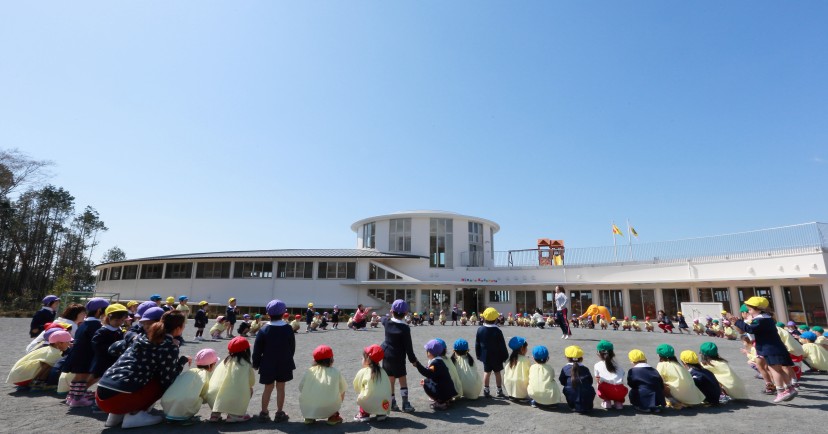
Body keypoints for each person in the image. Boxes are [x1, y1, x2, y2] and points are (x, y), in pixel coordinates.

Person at [96, 310, 188, 429]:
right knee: (159, 381)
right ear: (178, 329)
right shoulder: (169, 346)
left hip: (101, 394)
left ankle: (115, 416)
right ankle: (135, 415)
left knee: (135, 376)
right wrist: (182, 362)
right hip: (120, 399)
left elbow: (112, 349)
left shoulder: (140, 338)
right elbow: (168, 378)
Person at [733, 296, 798, 403]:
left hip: (769, 348)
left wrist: (738, 322)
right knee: (780, 369)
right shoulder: (768, 318)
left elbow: (750, 329)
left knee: (774, 370)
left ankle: (781, 391)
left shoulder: (760, 320)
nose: (749, 312)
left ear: (757, 309)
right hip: (777, 347)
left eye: (750, 309)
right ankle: (790, 388)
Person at [252, 299, 295, 423]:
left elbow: (257, 349)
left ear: (268, 314)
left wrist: (256, 363)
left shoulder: (264, 329)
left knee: (268, 388)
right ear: (283, 314)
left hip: (267, 363)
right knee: (281, 388)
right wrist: (288, 358)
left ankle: (264, 412)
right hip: (284, 362)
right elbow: (292, 347)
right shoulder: (288, 329)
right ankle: (279, 412)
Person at [62, 297, 109, 407]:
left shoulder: (83, 323)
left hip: (77, 354)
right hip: (85, 356)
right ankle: (78, 399)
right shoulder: (96, 325)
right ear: (99, 311)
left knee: (78, 377)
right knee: (82, 378)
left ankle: (72, 396)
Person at [160, 349, 218, 425]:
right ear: (211, 365)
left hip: (166, 402)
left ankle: (174, 415)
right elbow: (207, 393)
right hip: (183, 405)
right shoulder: (205, 374)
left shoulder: (190, 371)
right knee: (200, 396)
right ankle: (183, 416)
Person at [381, 299, 418, 412]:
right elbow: (408, 347)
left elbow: (382, 319)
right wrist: (413, 360)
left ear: (392, 311)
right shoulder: (405, 328)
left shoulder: (387, 322)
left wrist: (381, 317)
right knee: (402, 380)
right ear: (406, 313)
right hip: (398, 357)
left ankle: (392, 403)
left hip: (386, 355)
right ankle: (405, 403)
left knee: (390, 380)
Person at [207, 337, 255, 423]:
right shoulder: (246, 364)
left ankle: (215, 413)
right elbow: (252, 382)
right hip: (230, 398)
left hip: (212, 397)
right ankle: (235, 414)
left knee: (221, 389)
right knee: (249, 389)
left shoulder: (224, 361)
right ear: (246, 350)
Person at [7, 330, 72, 390]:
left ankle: (37, 382)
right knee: (51, 364)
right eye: (68, 342)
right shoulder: (55, 353)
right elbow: (47, 367)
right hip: (23, 378)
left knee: (48, 362)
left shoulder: (47, 348)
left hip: (16, 376)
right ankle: (38, 383)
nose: (69, 344)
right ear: (59, 343)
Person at [298, 345, 347, 425]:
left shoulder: (309, 371)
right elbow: (343, 389)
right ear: (331, 360)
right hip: (329, 407)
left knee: (307, 395)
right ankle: (333, 416)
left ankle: (309, 417)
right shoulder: (336, 372)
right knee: (341, 390)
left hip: (309, 407)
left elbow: (301, 387)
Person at [655, 344, 705, 408]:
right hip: (693, 397)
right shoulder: (677, 364)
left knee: (659, 384)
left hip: (680, 396)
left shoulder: (662, 365)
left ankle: (675, 402)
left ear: (659, 355)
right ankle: (682, 402)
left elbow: (658, 379)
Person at [413, 339, 457, 410]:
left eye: (427, 351)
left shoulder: (435, 363)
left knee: (425, 382)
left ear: (430, 352)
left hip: (443, 392)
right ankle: (447, 400)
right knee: (430, 381)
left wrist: (417, 365)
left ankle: (440, 402)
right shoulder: (440, 361)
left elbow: (427, 373)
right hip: (450, 391)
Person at [90, 304, 128, 384]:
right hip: (102, 359)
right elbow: (96, 345)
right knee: (95, 377)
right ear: (108, 318)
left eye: (122, 320)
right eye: (116, 320)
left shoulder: (119, 330)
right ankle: (83, 391)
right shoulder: (103, 331)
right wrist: (112, 348)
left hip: (113, 359)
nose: (119, 323)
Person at [353, 344, 392, 422]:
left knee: (362, 392)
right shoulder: (383, 371)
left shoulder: (363, 371)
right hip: (383, 404)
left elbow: (356, 386)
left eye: (363, 357)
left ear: (368, 359)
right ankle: (381, 413)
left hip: (369, 403)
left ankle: (364, 414)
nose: (362, 359)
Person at [475, 307, 508, 398]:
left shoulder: (480, 330)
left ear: (484, 318)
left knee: (486, 372)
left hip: (486, 356)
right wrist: (505, 356)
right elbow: (502, 345)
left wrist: (478, 354)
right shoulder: (498, 331)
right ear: (495, 319)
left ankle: (486, 390)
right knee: (497, 373)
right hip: (497, 356)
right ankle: (499, 390)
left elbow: (477, 343)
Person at [559, 345, 595, 413]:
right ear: (581, 358)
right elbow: (590, 381)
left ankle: (572, 406)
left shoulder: (565, 368)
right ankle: (586, 405)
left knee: (567, 388)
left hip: (571, 394)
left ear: (566, 357)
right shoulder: (585, 369)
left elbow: (562, 381)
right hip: (588, 403)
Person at [593, 340, 627, 410]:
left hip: (605, 390)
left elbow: (598, 379)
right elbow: (622, 376)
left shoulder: (597, 365)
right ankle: (618, 403)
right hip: (620, 391)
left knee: (599, 382)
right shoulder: (618, 364)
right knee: (619, 384)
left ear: (598, 353)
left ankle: (606, 401)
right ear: (612, 352)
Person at [503, 336, 530, 400]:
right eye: (526, 348)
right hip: (521, 390)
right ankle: (520, 396)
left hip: (509, 387)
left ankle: (513, 395)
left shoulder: (510, 359)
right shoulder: (525, 359)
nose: (527, 349)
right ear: (522, 348)